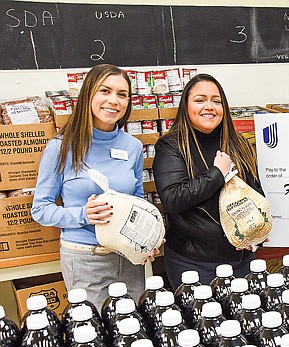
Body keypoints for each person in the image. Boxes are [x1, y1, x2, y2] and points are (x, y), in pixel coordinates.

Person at [32, 64, 155, 310]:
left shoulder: (132, 146)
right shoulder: (61, 147)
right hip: (85, 259)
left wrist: (147, 238)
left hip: (128, 258)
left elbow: (139, 200)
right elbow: (41, 209)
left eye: (122, 94)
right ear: (88, 94)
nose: (114, 100)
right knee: (95, 337)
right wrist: (82, 214)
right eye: (105, 91)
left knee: (133, 334)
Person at [153, 73, 263, 288]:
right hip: (194, 265)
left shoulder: (237, 143)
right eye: (200, 100)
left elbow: (255, 191)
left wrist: (258, 229)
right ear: (186, 106)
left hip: (241, 260)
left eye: (216, 100)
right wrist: (216, 174)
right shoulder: (171, 146)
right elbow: (173, 198)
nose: (209, 106)